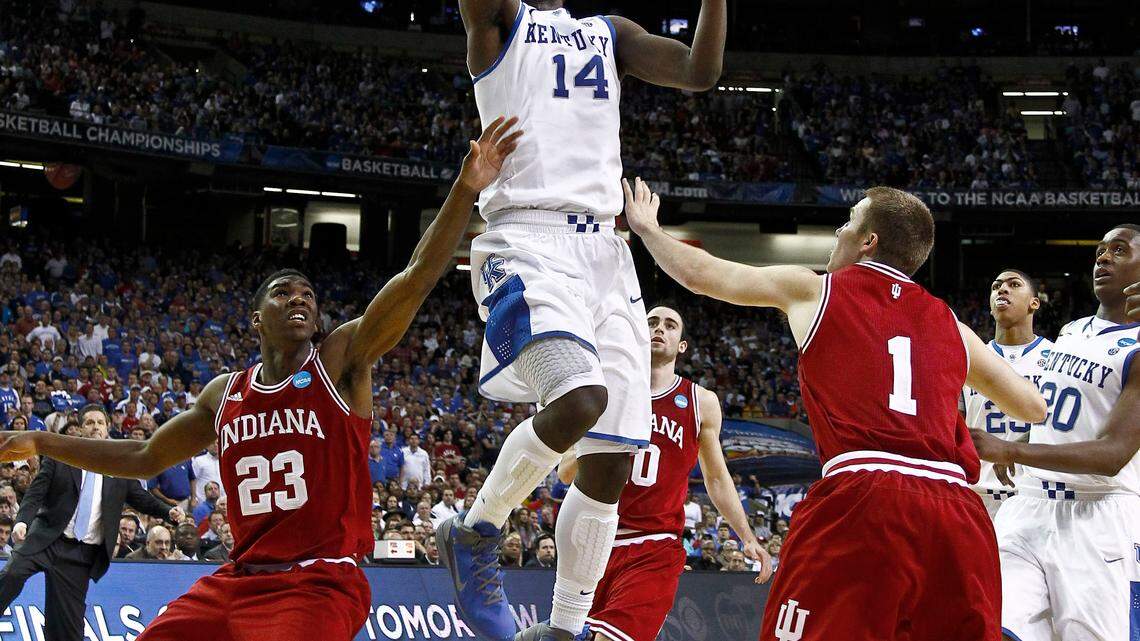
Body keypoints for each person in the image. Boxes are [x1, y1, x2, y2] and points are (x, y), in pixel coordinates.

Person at [0, 118, 522, 641]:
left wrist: (465, 188)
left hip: (319, 581)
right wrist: (42, 441)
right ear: (256, 319)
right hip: (237, 580)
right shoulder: (224, 393)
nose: (299, 298)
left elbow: (416, 278)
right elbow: (144, 458)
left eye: (308, 296)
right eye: (283, 293)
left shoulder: (341, 360)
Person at [622, 178, 1046, 640]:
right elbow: (1032, 406)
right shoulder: (953, 325)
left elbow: (704, 276)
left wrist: (648, 230)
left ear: (868, 241)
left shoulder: (816, 291)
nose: (838, 233)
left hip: (865, 496)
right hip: (957, 513)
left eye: (847, 223)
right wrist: (984, 433)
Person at [446, 2, 727, 640]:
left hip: (605, 249)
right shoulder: (498, 22)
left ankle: (565, 627)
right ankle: (477, 528)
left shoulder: (610, 31)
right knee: (580, 398)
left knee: (610, 462)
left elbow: (699, 71)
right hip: (527, 236)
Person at [972, 224, 1140, 641]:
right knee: (996, 628)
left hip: (1098, 515)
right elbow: (1068, 416)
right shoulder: (1072, 330)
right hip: (1028, 507)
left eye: (1119, 251)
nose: (1103, 258)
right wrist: (1029, 444)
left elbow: (1113, 453)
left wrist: (1012, 450)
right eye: (1100, 251)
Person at [563, 306, 771, 641]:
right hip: (596, 539)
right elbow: (565, 472)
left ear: (682, 344)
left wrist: (747, 537)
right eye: (652, 323)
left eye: (670, 325)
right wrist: (610, 436)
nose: (660, 329)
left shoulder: (700, 401)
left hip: (654, 544)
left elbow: (716, 479)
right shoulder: (605, 391)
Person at [0, 406, 179, 641]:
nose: (96, 427)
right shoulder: (60, 457)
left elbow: (140, 498)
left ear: (107, 428)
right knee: (12, 573)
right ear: (82, 429)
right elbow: (36, 492)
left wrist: (168, 511)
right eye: (90, 422)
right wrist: (22, 521)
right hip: (47, 539)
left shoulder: (120, 465)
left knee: (67, 629)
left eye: (100, 423)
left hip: (81, 554)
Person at [960, 270, 1052, 519]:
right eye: (996, 286)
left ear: (1034, 303)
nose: (1002, 290)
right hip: (976, 494)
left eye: (1014, 285)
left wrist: (1012, 448)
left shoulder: (1056, 358)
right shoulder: (970, 358)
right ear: (990, 306)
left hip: (1033, 495)